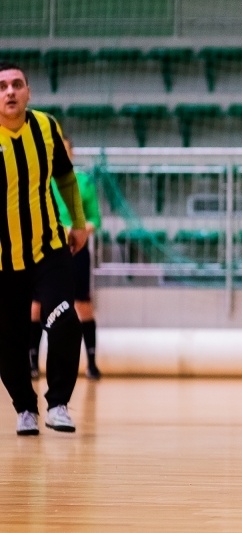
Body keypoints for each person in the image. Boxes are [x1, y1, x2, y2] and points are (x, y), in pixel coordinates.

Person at [0, 61, 87, 436]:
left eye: (17, 84)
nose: (10, 92)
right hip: (3, 260)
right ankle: (24, 409)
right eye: (2, 86)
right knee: (10, 339)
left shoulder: (47, 127)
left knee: (65, 322)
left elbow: (66, 177)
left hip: (49, 248)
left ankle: (58, 405)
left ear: (28, 91)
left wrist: (79, 223)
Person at [30, 135, 102, 380]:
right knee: (36, 306)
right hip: (46, 249)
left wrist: (79, 230)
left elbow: (95, 219)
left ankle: (91, 363)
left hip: (75, 249)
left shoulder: (83, 182)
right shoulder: (40, 183)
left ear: (71, 154)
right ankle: (32, 362)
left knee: (82, 304)